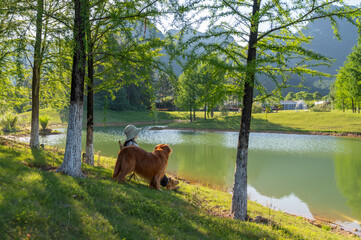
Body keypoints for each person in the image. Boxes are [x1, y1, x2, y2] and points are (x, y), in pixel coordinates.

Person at [122, 124, 179, 190]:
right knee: (157, 167)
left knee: (157, 166)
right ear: (133, 134)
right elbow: (138, 156)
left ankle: (168, 183)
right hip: (140, 164)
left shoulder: (128, 143)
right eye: (135, 132)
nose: (137, 134)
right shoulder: (132, 145)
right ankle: (169, 183)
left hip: (139, 162)